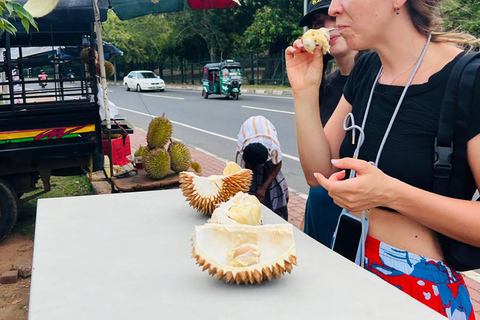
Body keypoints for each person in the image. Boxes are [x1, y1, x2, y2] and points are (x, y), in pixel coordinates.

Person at [285, 0, 479, 318]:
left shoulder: (469, 80)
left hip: (420, 289)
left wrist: (391, 193)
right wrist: (305, 92)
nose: (333, 9)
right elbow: (317, 173)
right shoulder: (367, 69)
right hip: (351, 261)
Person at [298, 0, 359, 247]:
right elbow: (318, 171)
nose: (327, 28)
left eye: (332, 19)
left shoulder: (377, 80)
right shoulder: (323, 84)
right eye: (318, 24)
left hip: (356, 210)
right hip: (322, 199)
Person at [235, 116, 289, 220]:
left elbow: (277, 164)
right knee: (248, 187)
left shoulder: (273, 147)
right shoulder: (240, 151)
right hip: (248, 131)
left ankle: (279, 214)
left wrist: (263, 188)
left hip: (267, 135)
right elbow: (239, 176)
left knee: (276, 187)